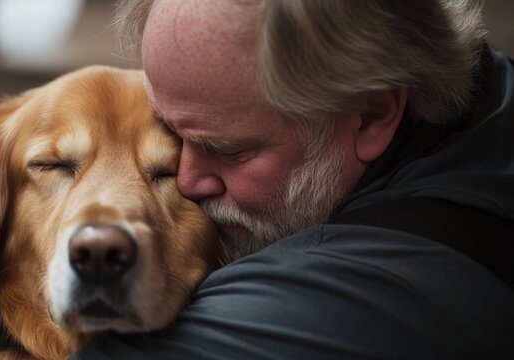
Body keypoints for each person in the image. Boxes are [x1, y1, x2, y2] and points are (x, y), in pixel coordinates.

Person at [71, 0, 514, 358]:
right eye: (170, 133)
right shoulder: (493, 89)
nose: (187, 181)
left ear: (370, 116)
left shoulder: (343, 298)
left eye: (229, 150)